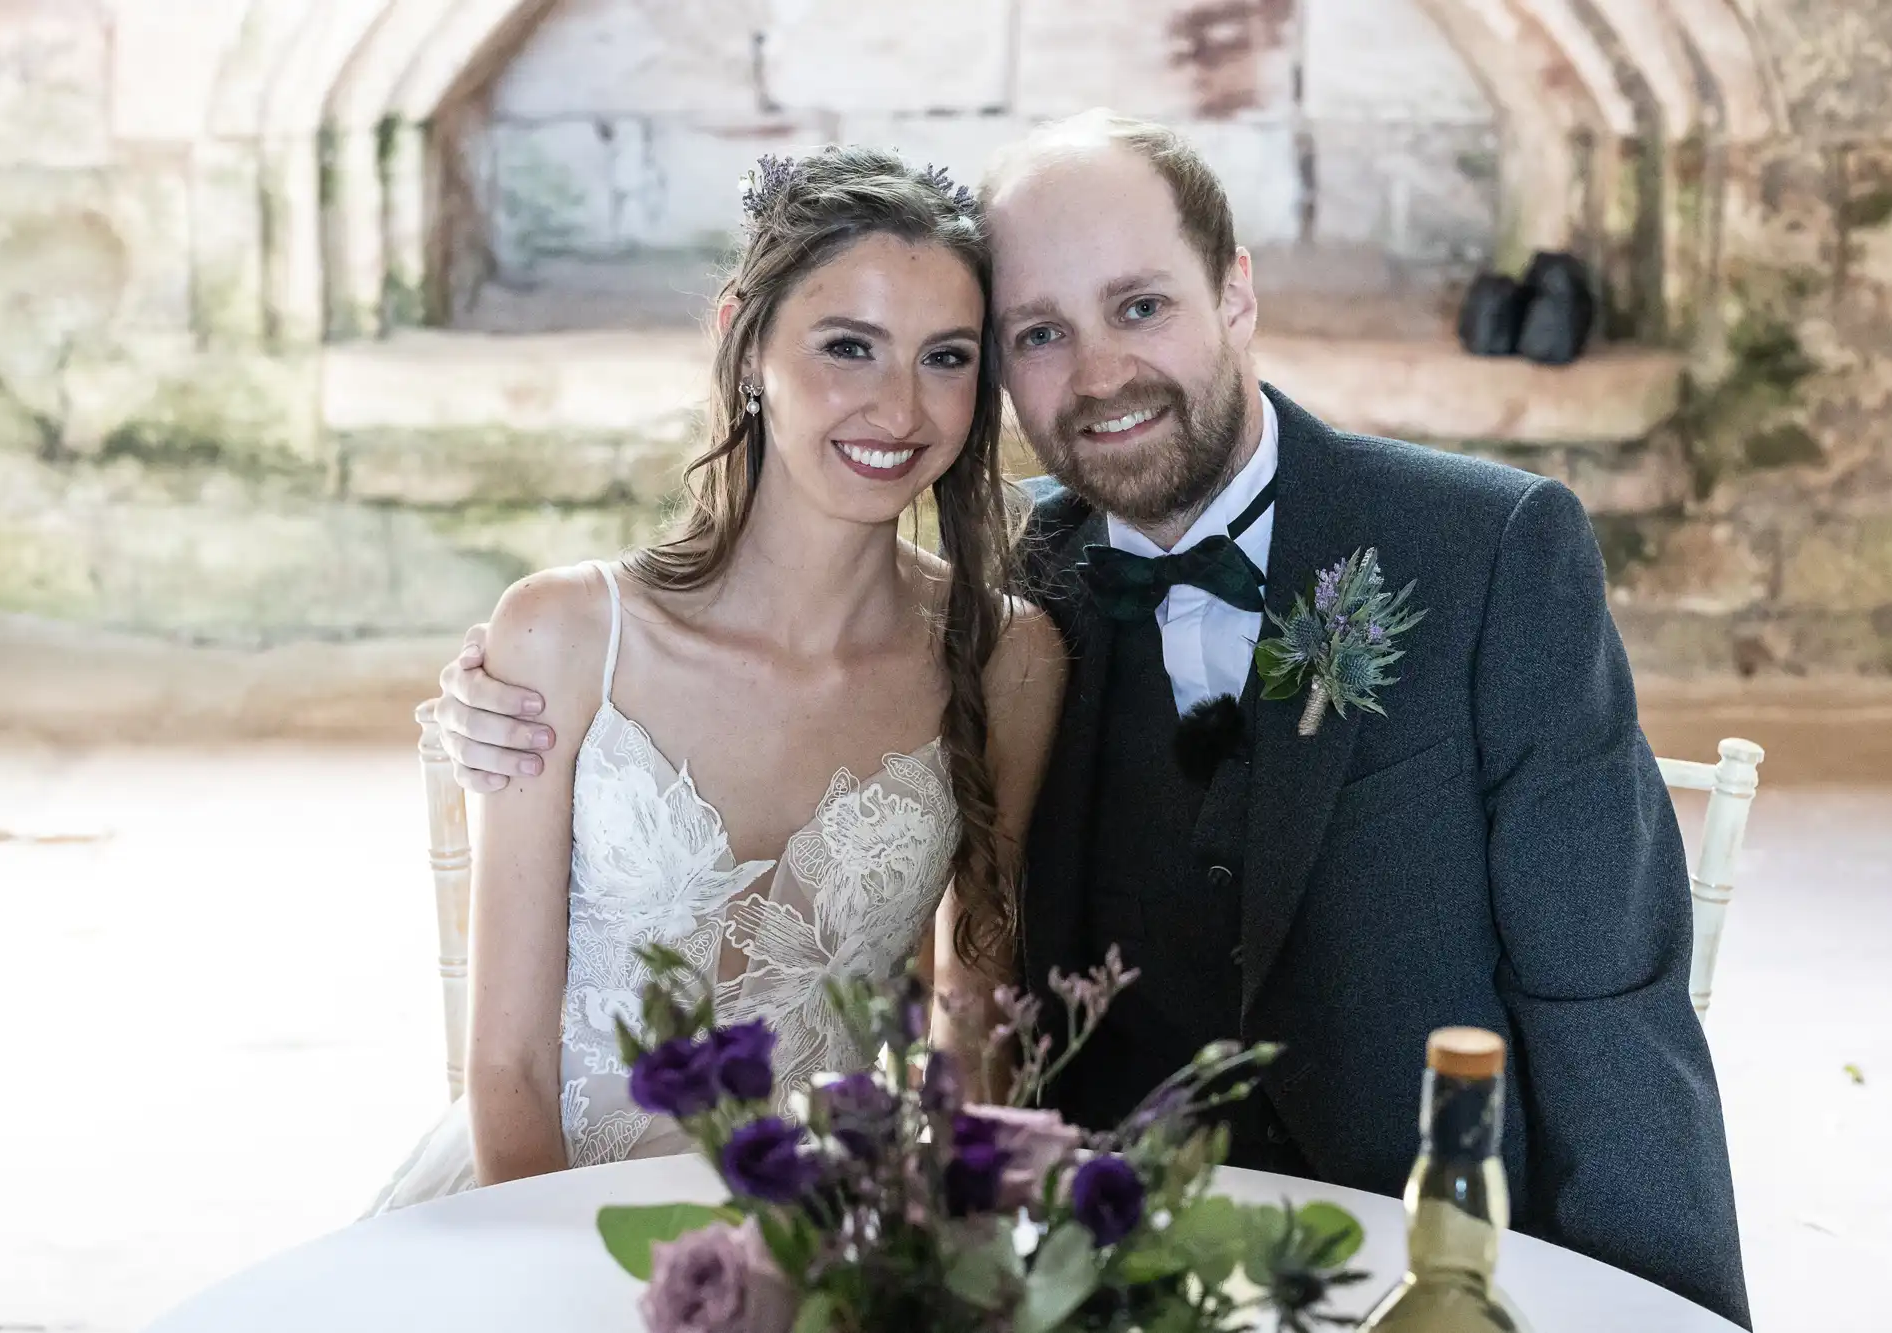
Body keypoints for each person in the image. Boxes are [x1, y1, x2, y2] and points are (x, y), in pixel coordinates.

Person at [435, 113, 1751, 1327]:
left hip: (1425, 1268)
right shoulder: (1025, 602)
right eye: (1040, 332)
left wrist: (1675, 1316)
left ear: (1235, 292)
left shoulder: (1484, 550)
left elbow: (1608, 1006)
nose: (1101, 373)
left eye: (1141, 306)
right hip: (1111, 1265)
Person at [370, 146, 1065, 1213]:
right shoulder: (564, 636)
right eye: (848, 346)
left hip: (821, 1232)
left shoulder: (1006, 657)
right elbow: (505, 1069)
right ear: (745, 342)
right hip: (536, 1210)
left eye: (945, 357)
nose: (898, 408)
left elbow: (971, 1016)